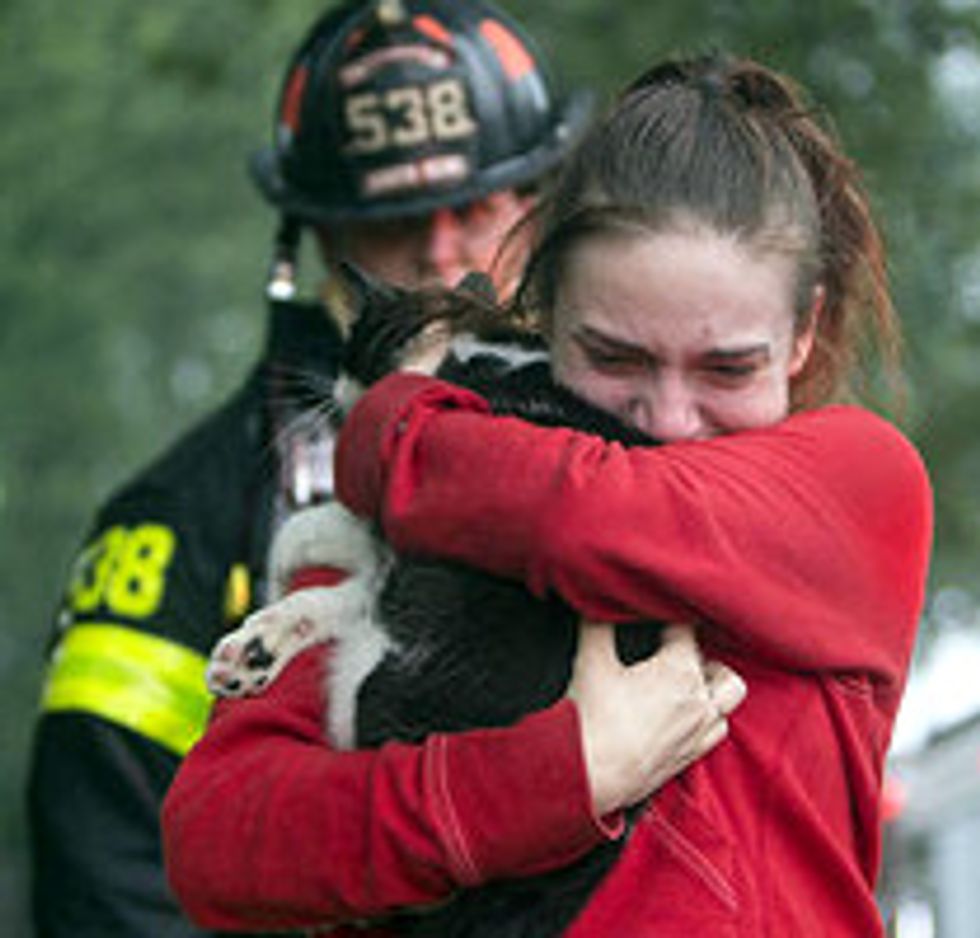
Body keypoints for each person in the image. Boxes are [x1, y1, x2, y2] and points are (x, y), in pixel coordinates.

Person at [163, 51, 933, 936]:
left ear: (804, 334)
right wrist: (561, 775)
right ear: (545, 309)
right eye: (614, 357)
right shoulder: (422, 513)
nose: (672, 418)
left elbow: (589, 515)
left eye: (729, 368)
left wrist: (394, 427)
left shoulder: (856, 483)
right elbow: (219, 840)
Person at [26, 2, 594, 935]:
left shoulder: (648, 434)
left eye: (483, 204)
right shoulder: (182, 519)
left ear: (548, 208)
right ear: (320, 240)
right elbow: (106, 873)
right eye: (397, 220)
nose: (443, 254)